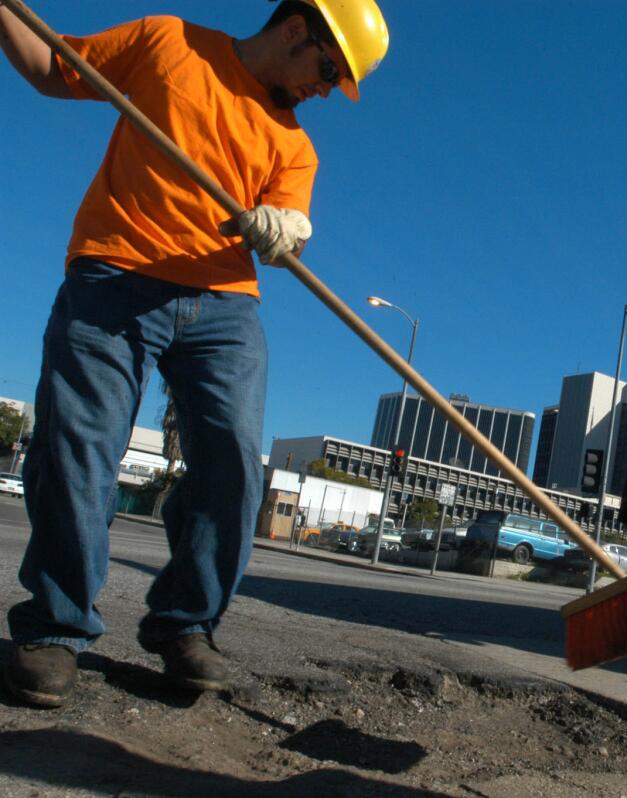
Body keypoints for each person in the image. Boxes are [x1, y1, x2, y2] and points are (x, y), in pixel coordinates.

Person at [0, 0, 388, 708]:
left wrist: (285, 228)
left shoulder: (295, 146)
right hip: (115, 273)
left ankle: (185, 624)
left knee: (234, 462)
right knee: (78, 445)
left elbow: (289, 239)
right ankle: (55, 629)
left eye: (339, 84)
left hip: (224, 303)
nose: (327, 89)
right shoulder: (166, 41)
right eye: (330, 69)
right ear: (297, 26)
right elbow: (51, 68)